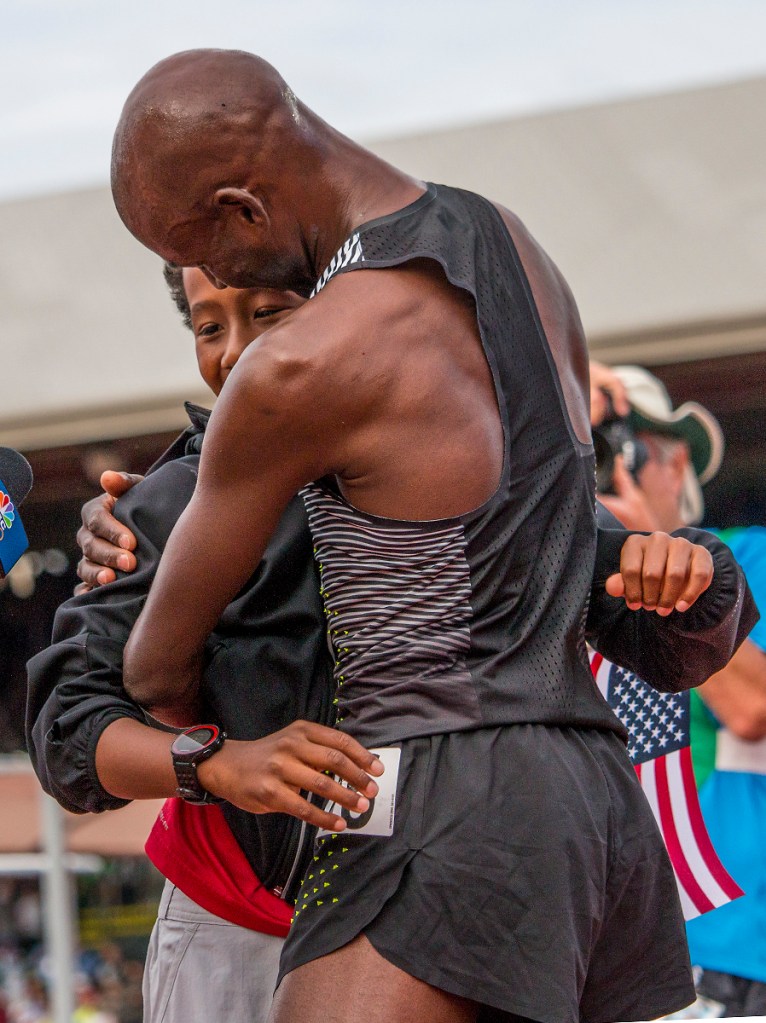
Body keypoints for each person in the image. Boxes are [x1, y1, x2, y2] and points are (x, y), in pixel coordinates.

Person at [100, 49, 758, 1022]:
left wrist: (137, 546)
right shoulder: (513, 246)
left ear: (242, 208)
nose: (220, 288)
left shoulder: (302, 369)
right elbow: (552, 532)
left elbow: (157, 668)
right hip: (587, 787)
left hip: (428, 789)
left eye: (203, 248)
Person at [27, 268, 378, 1022]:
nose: (241, 351)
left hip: (416, 928)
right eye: (209, 326)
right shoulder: (161, 504)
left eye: (270, 313)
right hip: (234, 928)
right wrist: (216, 765)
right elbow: (65, 737)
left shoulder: (440, 470)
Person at [591, 364, 766, 1018]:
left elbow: (753, 708)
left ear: (676, 462)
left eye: (626, 449)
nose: (611, 470)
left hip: (729, 935)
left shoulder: (750, 557)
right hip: (614, 939)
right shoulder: (569, 577)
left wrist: (655, 561)